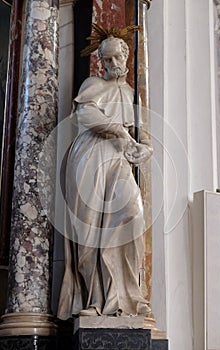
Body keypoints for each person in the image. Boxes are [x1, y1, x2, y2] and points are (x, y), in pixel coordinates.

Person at [57, 35, 153, 319]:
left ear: (126, 57)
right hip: (89, 156)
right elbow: (85, 114)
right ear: (100, 61)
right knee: (89, 232)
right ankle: (96, 301)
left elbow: (141, 132)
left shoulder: (132, 95)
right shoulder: (93, 86)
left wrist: (146, 148)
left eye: (117, 57)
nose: (112, 63)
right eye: (106, 59)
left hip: (118, 159)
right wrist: (121, 132)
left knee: (132, 213)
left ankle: (129, 298)